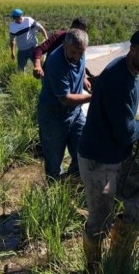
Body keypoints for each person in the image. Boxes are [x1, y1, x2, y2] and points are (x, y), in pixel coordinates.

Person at [77, 27, 139, 273]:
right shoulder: (120, 80)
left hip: (120, 154)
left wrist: (133, 129)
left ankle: (118, 258)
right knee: (100, 222)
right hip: (98, 159)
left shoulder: (130, 69)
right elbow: (125, 131)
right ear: (133, 51)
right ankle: (93, 267)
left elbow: (123, 129)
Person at [36, 28, 92, 181]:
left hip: (75, 112)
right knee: (54, 161)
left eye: (81, 53)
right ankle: (54, 195)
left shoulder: (80, 52)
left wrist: (84, 78)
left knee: (84, 150)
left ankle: (72, 182)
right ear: (65, 46)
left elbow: (80, 67)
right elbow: (65, 99)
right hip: (53, 115)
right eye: (74, 52)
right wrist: (93, 98)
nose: (77, 57)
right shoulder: (55, 62)